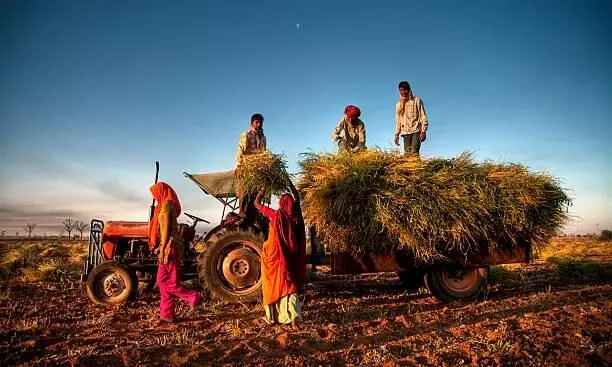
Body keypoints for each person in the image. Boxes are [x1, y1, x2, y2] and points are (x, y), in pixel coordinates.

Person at [254, 182, 306, 328]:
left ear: (282, 203)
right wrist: (288, 182)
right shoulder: (295, 216)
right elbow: (296, 197)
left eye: (280, 201)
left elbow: (256, 204)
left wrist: (263, 188)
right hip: (289, 257)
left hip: (274, 257)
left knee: (274, 285)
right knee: (290, 286)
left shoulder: (276, 215)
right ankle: (293, 320)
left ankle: (273, 317)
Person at [149, 182, 202, 323]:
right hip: (169, 245)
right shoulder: (166, 205)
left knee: (166, 281)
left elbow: (166, 229)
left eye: (155, 193)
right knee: (163, 281)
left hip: (170, 247)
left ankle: (192, 296)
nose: (155, 197)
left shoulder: (166, 206)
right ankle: (167, 314)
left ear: (161, 191)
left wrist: (162, 247)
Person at [236, 113, 267, 218]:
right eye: (256, 122)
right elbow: (240, 150)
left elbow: (264, 153)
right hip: (246, 167)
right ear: (252, 123)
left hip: (258, 169)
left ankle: (254, 212)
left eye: (260, 123)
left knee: (257, 191)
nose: (259, 124)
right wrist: (239, 166)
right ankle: (241, 212)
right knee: (245, 190)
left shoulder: (263, 137)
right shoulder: (246, 134)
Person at [394, 81, 429, 156]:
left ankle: (417, 166)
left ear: (409, 89)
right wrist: (396, 134)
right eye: (401, 90)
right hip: (405, 132)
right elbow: (398, 120)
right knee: (407, 154)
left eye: (405, 90)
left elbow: (423, 116)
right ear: (399, 90)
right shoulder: (398, 105)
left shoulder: (416, 101)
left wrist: (423, 131)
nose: (404, 92)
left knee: (414, 152)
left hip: (416, 131)